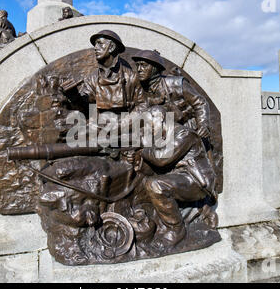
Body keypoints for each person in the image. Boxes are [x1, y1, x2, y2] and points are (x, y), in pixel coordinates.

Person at [138, 106, 218, 248]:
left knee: (155, 185)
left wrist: (143, 149)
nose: (148, 130)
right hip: (182, 176)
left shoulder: (183, 134)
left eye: (150, 125)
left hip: (197, 180)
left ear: (160, 118)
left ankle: (176, 230)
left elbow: (162, 158)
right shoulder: (164, 136)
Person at [132, 50, 210, 138]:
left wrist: (203, 125)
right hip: (158, 132)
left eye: (144, 65)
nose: (139, 69)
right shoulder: (139, 89)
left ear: (155, 68)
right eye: (137, 65)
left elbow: (200, 102)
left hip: (184, 132)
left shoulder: (176, 83)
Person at [77, 30, 143, 113]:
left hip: (125, 122)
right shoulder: (92, 79)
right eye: (95, 44)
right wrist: (74, 96)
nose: (95, 47)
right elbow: (85, 108)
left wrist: (126, 122)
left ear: (112, 47)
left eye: (100, 43)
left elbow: (142, 105)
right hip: (99, 123)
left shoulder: (130, 77)